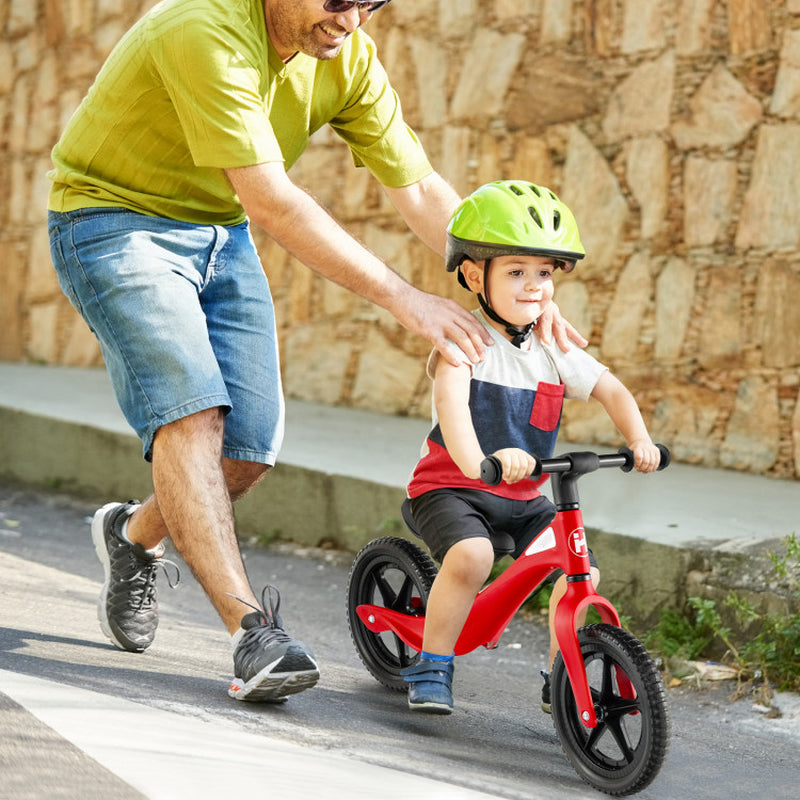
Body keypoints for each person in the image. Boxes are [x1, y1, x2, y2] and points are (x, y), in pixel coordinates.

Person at [47, 1, 584, 704]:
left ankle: (133, 535)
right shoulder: (203, 30)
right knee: (195, 414)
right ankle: (252, 633)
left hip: (218, 231)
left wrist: (513, 285)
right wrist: (402, 296)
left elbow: (420, 189)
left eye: (373, 2)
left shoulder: (346, 55)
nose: (354, 19)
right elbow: (271, 200)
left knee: (247, 450)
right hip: (113, 219)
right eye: (340, 0)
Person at [402, 180, 662, 714]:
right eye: (516, 272)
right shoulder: (464, 340)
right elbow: (451, 408)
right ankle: (432, 663)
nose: (533, 286)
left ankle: (562, 678)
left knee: (580, 568)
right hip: (452, 487)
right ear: (476, 275)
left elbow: (610, 388)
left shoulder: (551, 346)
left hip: (523, 494)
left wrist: (637, 441)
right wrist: (480, 462)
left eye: (543, 273)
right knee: (471, 556)